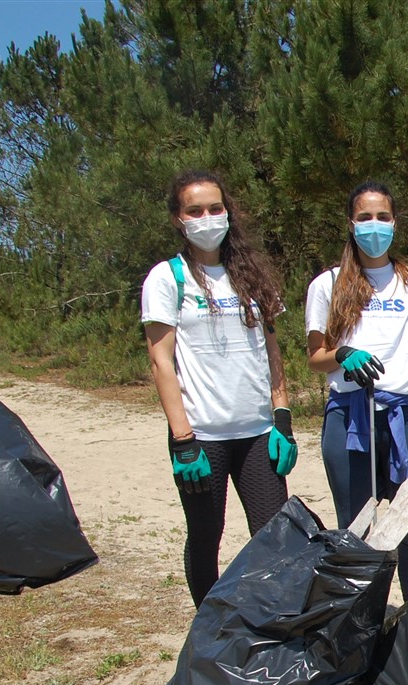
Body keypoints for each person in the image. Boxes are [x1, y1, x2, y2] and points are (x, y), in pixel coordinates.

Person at [141, 169, 297, 608]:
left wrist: (281, 417)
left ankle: (271, 620)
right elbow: (161, 361)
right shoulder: (167, 279)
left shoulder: (250, 275)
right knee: (206, 536)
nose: (206, 218)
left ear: (228, 212)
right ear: (178, 218)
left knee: (275, 537)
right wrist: (183, 439)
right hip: (202, 438)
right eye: (195, 211)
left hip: (257, 434)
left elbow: (271, 349)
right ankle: (207, 631)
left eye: (215, 208)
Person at [304, 181, 408, 598]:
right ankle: (359, 627)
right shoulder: (327, 284)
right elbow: (316, 357)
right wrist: (342, 353)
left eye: (383, 217)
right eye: (365, 217)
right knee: (356, 529)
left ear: (395, 223)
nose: (374, 226)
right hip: (350, 414)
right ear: (351, 224)